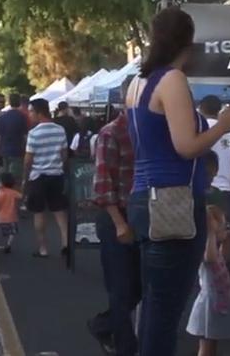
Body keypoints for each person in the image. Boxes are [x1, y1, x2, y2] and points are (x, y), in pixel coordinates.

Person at [125, 7, 230, 356]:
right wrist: (224, 125)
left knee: (154, 306)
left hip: (146, 198)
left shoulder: (136, 83)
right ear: (187, 43)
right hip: (172, 201)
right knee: (165, 311)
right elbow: (186, 146)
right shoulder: (171, 80)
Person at [87, 88, 139, 356]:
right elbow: (103, 186)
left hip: (143, 217)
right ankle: (125, 347)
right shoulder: (112, 132)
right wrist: (120, 224)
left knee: (139, 287)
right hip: (116, 217)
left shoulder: (153, 130)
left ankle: (103, 325)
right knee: (121, 288)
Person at [186, 154, 230, 356]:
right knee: (207, 343)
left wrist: (225, 237)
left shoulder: (216, 197)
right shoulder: (208, 253)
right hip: (211, 299)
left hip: (219, 296)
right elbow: (209, 257)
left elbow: (224, 259)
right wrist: (210, 231)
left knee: (212, 341)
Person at [24, 98, 70, 258]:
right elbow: (64, 154)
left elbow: (28, 160)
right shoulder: (60, 130)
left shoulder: (33, 133)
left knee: (39, 212)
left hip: (38, 177)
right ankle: (66, 242)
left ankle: (43, 248)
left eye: (31, 111)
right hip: (56, 175)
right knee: (59, 210)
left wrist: (25, 178)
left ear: (38, 112)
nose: (29, 115)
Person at [199, 95, 230, 222]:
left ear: (201, 109)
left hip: (201, 188)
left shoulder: (198, 129)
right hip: (226, 189)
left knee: (203, 232)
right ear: (219, 110)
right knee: (226, 231)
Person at [0, 94, 29, 183]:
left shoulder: (2, 117)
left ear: (9, 102)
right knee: (16, 179)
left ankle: (6, 196)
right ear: (19, 102)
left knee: (5, 179)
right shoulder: (22, 117)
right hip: (17, 151)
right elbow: (25, 136)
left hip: (4, 151)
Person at [0, 172, 22, 253]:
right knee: (12, 233)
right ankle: (8, 244)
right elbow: (21, 197)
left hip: (2, 218)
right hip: (12, 217)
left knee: (3, 232)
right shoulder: (14, 193)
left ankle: (1, 245)